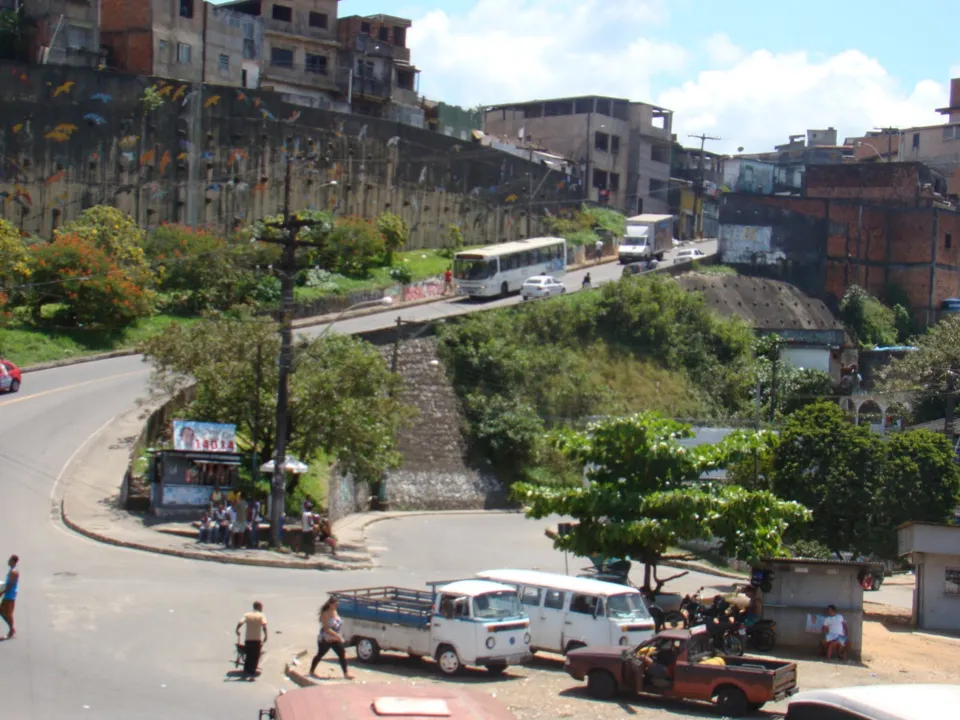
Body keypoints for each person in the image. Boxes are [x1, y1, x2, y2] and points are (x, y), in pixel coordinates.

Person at [309, 597, 353, 679]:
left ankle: (346, 673)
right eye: (335, 604)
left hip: (335, 638)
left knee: (342, 653)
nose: (337, 606)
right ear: (330, 604)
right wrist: (337, 636)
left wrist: (339, 635)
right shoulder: (325, 613)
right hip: (326, 638)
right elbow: (326, 628)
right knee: (320, 654)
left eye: (337, 604)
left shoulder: (335, 611)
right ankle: (311, 671)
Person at [236, 601, 268, 677]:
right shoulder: (261, 615)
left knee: (249, 654)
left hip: (248, 639)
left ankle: (246, 669)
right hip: (257, 639)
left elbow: (241, 622)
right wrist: (266, 635)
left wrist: (237, 630)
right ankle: (252, 670)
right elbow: (264, 626)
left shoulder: (247, 615)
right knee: (255, 655)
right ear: (259, 607)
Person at [0, 555, 19, 640]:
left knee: (8, 614)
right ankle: (12, 629)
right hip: (8, 595)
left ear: (13, 561)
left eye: (10, 560)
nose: (8, 561)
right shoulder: (11, 570)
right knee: (3, 612)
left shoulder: (13, 572)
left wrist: (2, 592)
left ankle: (11, 631)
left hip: (10, 596)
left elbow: (10, 585)